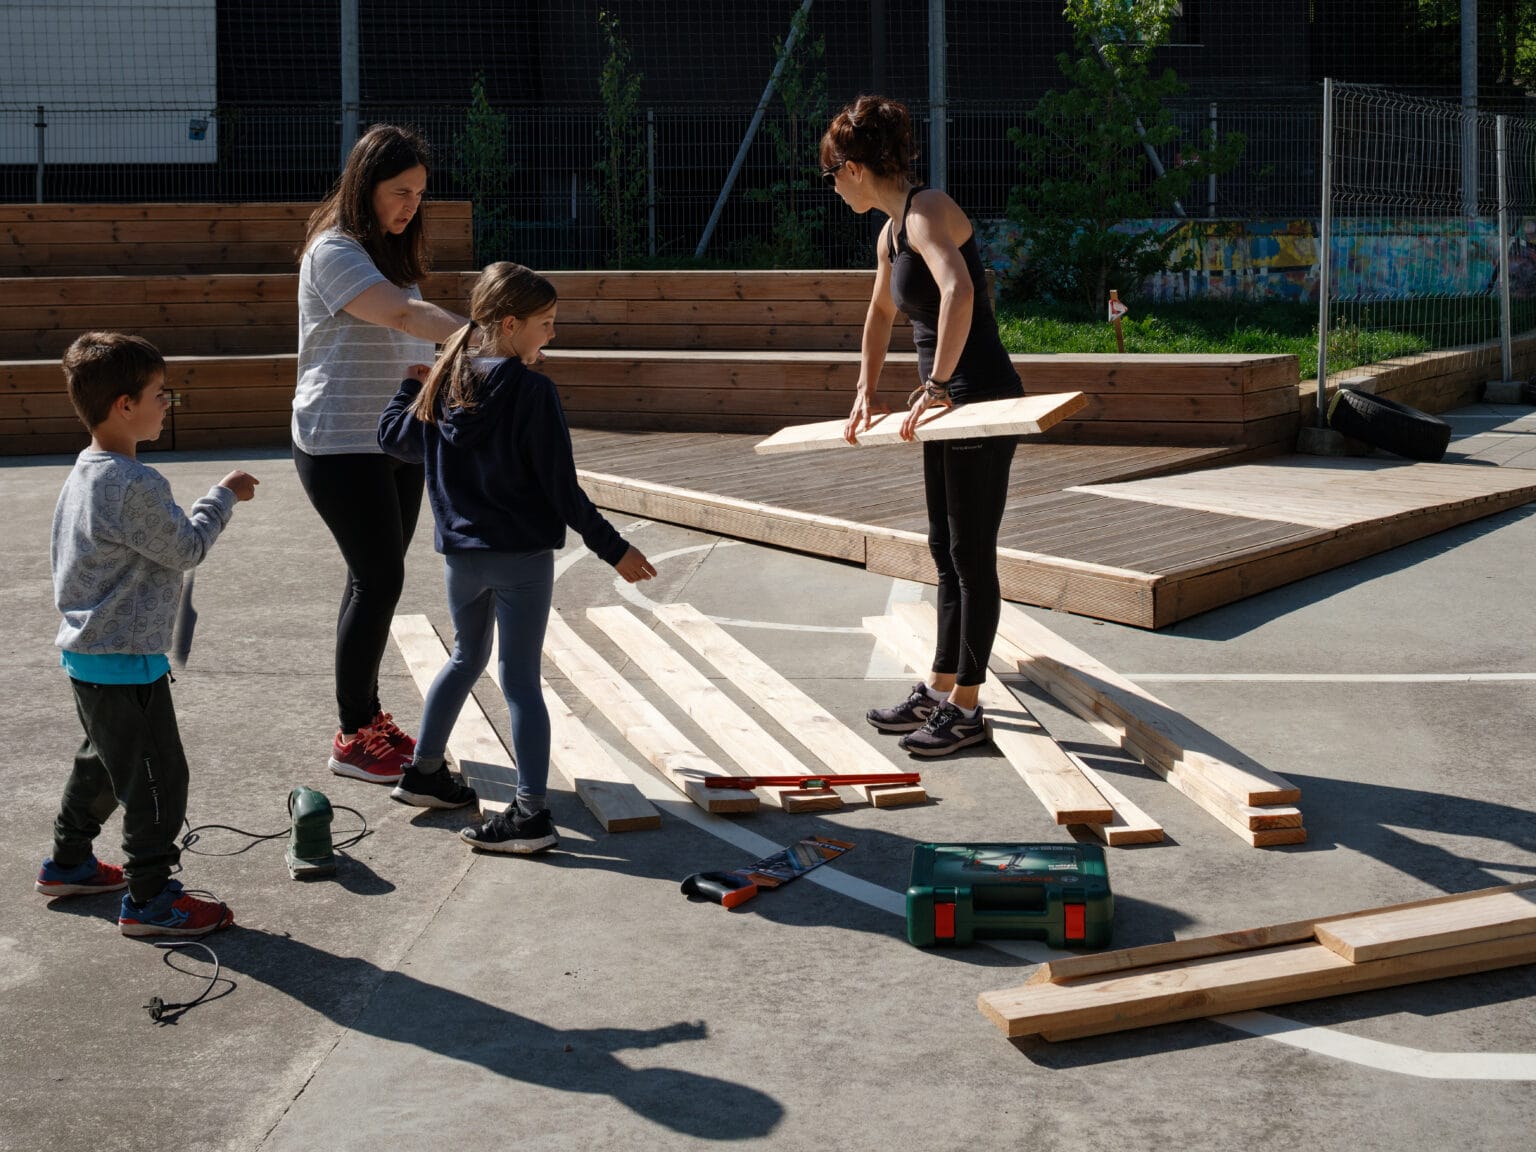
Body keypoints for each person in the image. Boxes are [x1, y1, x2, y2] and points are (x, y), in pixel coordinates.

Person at [378, 262, 657, 853]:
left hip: (462, 559)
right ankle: (530, 813)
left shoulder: (446, 381)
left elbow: (394, 441)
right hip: (522, 560)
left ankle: (425, 771)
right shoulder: (534, 393)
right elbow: (562, 489)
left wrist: (409, 386)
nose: (552, 335)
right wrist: (615, 549)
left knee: (464, 657)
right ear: (510, 323)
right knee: (521, 683)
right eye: (546, 324)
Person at [36, 332, 258, 938]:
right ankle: (151, 900)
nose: (169, 403)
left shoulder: (87, 470)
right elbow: (186, 547)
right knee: (160, 779)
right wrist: (221, 498)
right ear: (124, 405)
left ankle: (70, 863)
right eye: (162, 394)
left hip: (89, 658)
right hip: (126, 659)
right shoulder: (133, 483)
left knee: (106, 764)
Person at [822, 95, 1025, 757]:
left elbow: (959, 289)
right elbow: (881, 317)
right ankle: (940, 688)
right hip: (943, 403)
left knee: (971, 554)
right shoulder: (889, 232)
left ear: (853, 168)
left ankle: (967, 706)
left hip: (978, 396)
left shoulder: (928, 210)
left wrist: (937, 383)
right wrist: (864, 391)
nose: (831, 187)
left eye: (832, 174)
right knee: (944, 548)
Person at [293, 123, 469, 786]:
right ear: (364, 186)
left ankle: (363, 719)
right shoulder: (334, 251)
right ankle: (354, 735)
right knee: (378, 578)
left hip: (395, 438)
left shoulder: (385, 255)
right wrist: (480, 336)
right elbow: (400, 317)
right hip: (341, 443)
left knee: (373, 575)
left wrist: (427, 375)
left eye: (420, 194)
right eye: (400, 192)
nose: (410, 206)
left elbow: (401, 335)